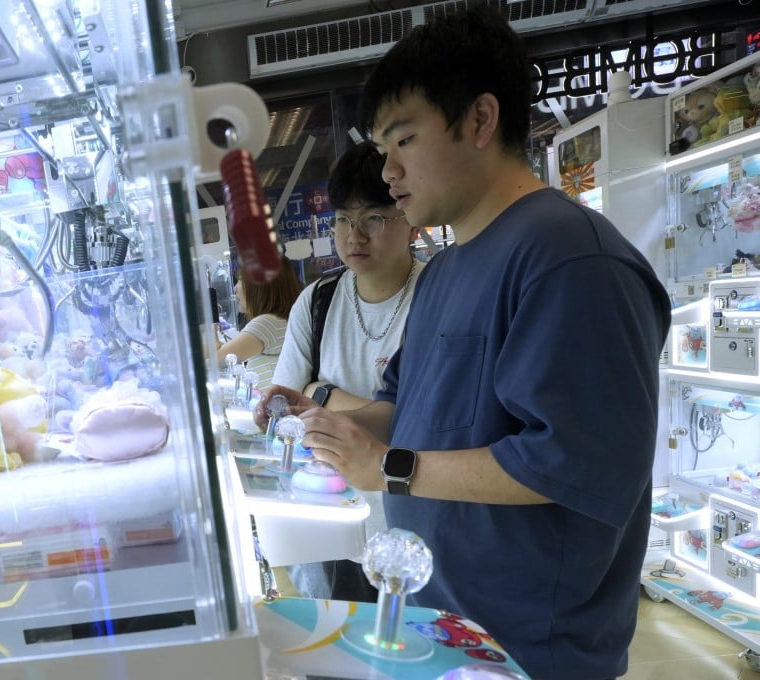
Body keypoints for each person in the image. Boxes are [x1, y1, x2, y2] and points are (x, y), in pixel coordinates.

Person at [254, 8, 670, 679]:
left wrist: (389, 468)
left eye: (404, 140)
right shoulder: (447, 269)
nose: (387, 171)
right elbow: (407, 406)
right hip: (440, 622)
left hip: (529, 650)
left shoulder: (571, 261)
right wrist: (328, 425)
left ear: (479, 120)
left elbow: (572, 461)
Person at [268, 141, 421, 603]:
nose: (354, 236)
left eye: (374, 218)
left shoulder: (437, 297)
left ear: (409, 219)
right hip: (334, 523)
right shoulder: (317, 301)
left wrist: (327, 394)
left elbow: (423, 419)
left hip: (415, 531)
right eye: (341, 219)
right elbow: (286, 408)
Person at [216, 256, 301, 391]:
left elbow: (218, 360)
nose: (235, 288)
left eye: (241, 280)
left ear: (260, 286)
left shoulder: (266, 323)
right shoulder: (279, 321)